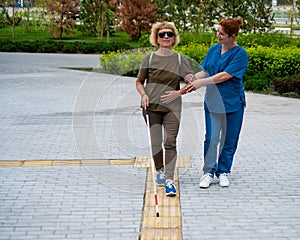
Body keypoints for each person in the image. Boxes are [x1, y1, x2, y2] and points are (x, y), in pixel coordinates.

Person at [187, 17, 248, 188]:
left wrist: (201, 83)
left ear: (233, 36)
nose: (218, 36)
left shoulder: (240, 54)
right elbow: (205, 71)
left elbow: (225, 76)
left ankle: (223, 172)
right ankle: (208, 172)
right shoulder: (214, 50)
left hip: (233, 104)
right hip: (213, 103)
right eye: (218, 32)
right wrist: (193, 78)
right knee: (212, 138)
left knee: (229, 140)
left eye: (222, 34)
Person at [136, 22, 194, 196]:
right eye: (162, 34)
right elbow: (139, 81)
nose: (166, 37)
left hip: (172, 108)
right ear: (157, 38)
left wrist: (179, 92)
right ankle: (160, 170)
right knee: (156, 142)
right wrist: (143, 95)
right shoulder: (149, 58)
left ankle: (169, 179)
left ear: (174, 37)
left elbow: (190, 82)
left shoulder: (179, 59)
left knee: (170, 142)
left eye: (170, 34)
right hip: (151, 106)